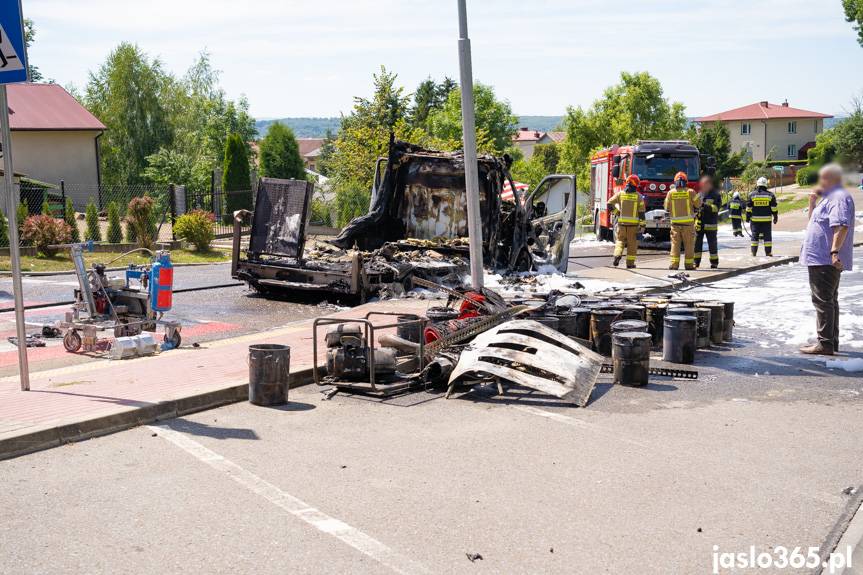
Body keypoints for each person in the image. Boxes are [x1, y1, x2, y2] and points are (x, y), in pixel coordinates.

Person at [799, 163, 855, 356]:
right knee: (828, 300)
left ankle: (826, 343)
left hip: (824, 258)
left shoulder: (838, 197)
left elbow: (841, 226)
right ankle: (830, 341)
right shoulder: (829, 198)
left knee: (823, 301)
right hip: (819, 257)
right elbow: (813, 224)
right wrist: (812, 202)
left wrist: (834, 252)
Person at [664, 171, 701, 270]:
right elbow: (698, 204)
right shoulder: (691, 192)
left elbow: (666, 207)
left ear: (675, 181)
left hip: (675, 225)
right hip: (688, 225)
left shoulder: (670, 193)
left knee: (675, 244)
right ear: (686, 181)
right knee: (689, 245)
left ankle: (674, 264)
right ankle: (689, 265)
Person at [607, 175, 646, 269]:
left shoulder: (620, 194)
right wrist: (642, 225)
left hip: (621, 225)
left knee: (620, 241)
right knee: (632, 245)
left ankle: (617, 255)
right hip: (633, 226)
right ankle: (630, 264)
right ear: (636, 184)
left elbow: (609, 204)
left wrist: (617, 213)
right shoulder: (639, 196)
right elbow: (641, 213)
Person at [745, 176, 778, 256]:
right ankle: (768, 252)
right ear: (766, 184)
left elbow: (748, 207)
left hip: (755, 221)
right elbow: (774, 207)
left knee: (754, 236)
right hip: (766, 221)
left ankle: (753, 252)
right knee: (767, 237)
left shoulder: (752, 195)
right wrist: (775, 217)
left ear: (757, 184)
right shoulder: (770, 195)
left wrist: (747, 217)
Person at [694, 175, 722, 268]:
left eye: (705, 184)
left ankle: (714, 262)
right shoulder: (699, 194)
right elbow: (693, 205)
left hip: (710, 225)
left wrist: (704, 206)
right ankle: (696, 262)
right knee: (697, 245)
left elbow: (716, 208)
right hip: (699, 224)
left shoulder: (716, 195)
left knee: (712, 245)